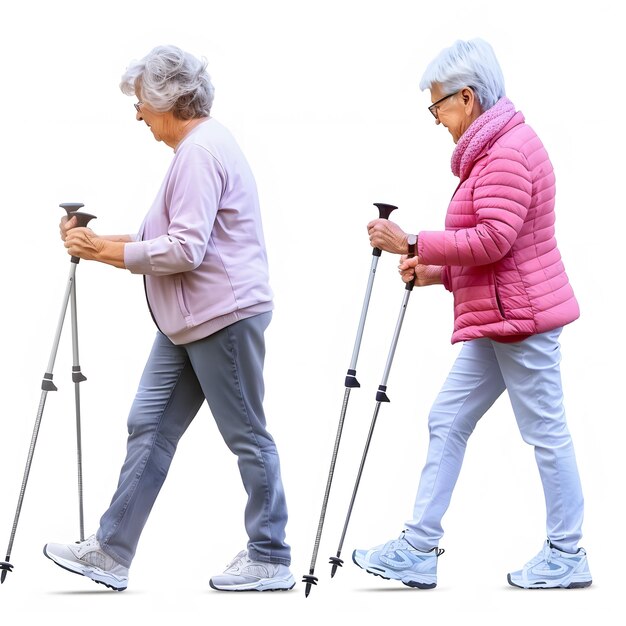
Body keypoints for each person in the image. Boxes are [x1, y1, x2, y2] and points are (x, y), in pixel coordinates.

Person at [43, 44, 294, 592]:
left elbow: (184, 250)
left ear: (167, 99)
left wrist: (106, 253)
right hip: (187, 320)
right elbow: (163, 239)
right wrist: (95, 243)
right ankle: (111, 552)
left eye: (140, 102)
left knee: (246, 434)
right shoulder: (193, 151)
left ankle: (271, 555)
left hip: (222, 317)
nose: (137, 113)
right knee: (149, 425)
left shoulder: (201, 152)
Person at [352, 38, 591, 590]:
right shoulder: (494, 148)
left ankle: (567, 552)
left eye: (438, 105)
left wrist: (411, 240)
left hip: (522, 320)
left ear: (467, 96)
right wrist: (436, 271)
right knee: (448, 419)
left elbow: (494, 240)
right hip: (499, 317)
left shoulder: (507, 151)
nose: (435, 117)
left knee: (545, 432)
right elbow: (492, 249)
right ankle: (416, 547)